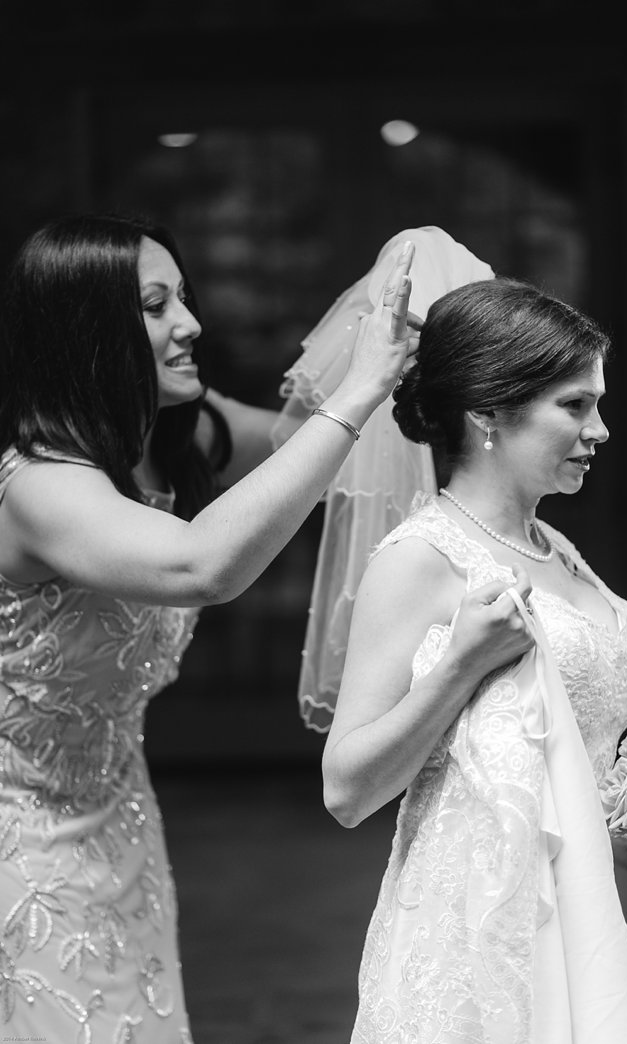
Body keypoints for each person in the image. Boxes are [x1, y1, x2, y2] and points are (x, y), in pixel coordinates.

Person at [0, 213, 414, 1041]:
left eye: (182, 297)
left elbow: (309, 448)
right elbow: (202, 566)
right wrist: (360, 390)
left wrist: (386, 318)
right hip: (19, 839)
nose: (190, 324)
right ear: (85, 334)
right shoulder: (38, 490)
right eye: (155, 306)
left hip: (120, 814)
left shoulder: (176, 431)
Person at [306, 235, 627, 1042]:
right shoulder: (421, 561)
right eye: (575, 405)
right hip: (480, 931)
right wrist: (460, 664)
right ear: (489, 413)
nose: (600, 430)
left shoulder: (554, 549)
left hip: (580, 911)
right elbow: (346, 789)